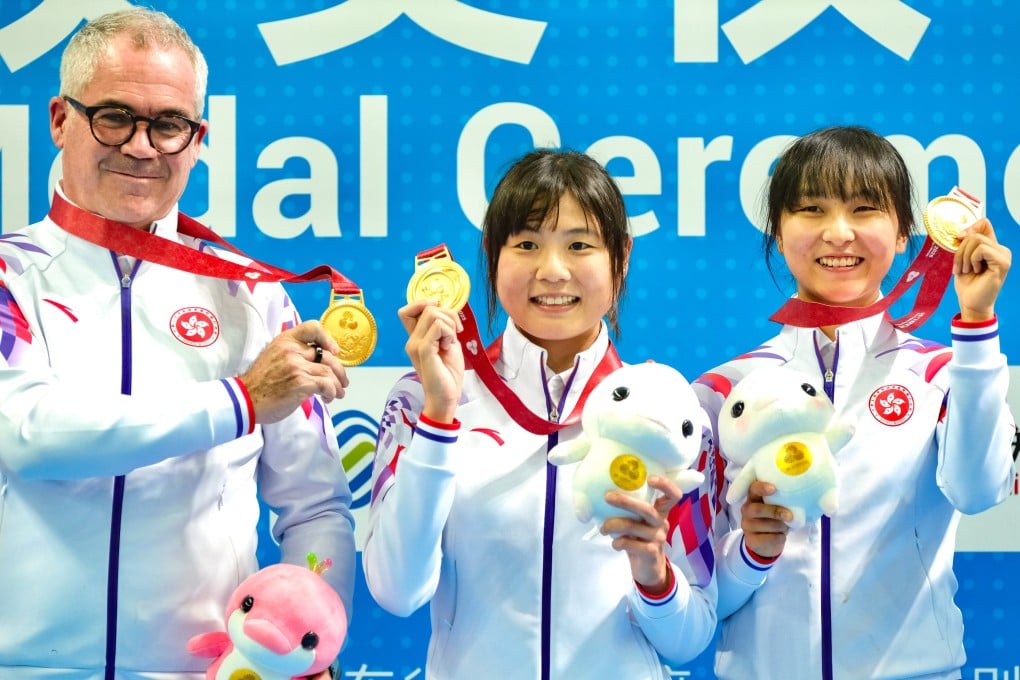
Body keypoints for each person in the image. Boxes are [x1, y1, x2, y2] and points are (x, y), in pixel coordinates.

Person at [0, 9, 354, 680]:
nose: (141, 147)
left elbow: (316, 504)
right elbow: (27, 434)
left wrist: (309, 650)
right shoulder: (8, 274)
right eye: (114, 117)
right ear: (60, 120)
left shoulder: (253, 295)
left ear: (198, 140)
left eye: (168, 124)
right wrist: (241, 401)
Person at [362, 148, 717, 679]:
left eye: (579, 245)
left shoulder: (670, 415)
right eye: (527, 244)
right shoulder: (423, 398)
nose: (552, 271)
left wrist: (654, 573)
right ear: (492, 254)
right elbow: (397, 591)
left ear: (621, 256)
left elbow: (691, 638)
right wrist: (440, 418)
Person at [693, 125, 1016, 679]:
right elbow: (697, 602)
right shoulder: (724, 392)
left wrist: (977, 325)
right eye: (811, 210)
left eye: (864, 209)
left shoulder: (942, 372)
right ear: (777, 232)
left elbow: (979, 490)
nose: (838, 233)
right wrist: (748, 554)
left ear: (903, 233)